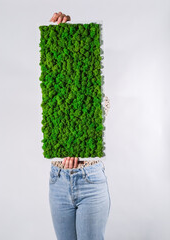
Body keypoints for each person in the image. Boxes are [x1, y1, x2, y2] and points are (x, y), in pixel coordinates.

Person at [48, 12, 111, 240]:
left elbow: (100, 105)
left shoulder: (92, 91)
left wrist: (73, 40)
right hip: (58, 179)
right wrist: (57, 40)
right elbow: (57, 87)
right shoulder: (54, 91)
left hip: (90, 178)